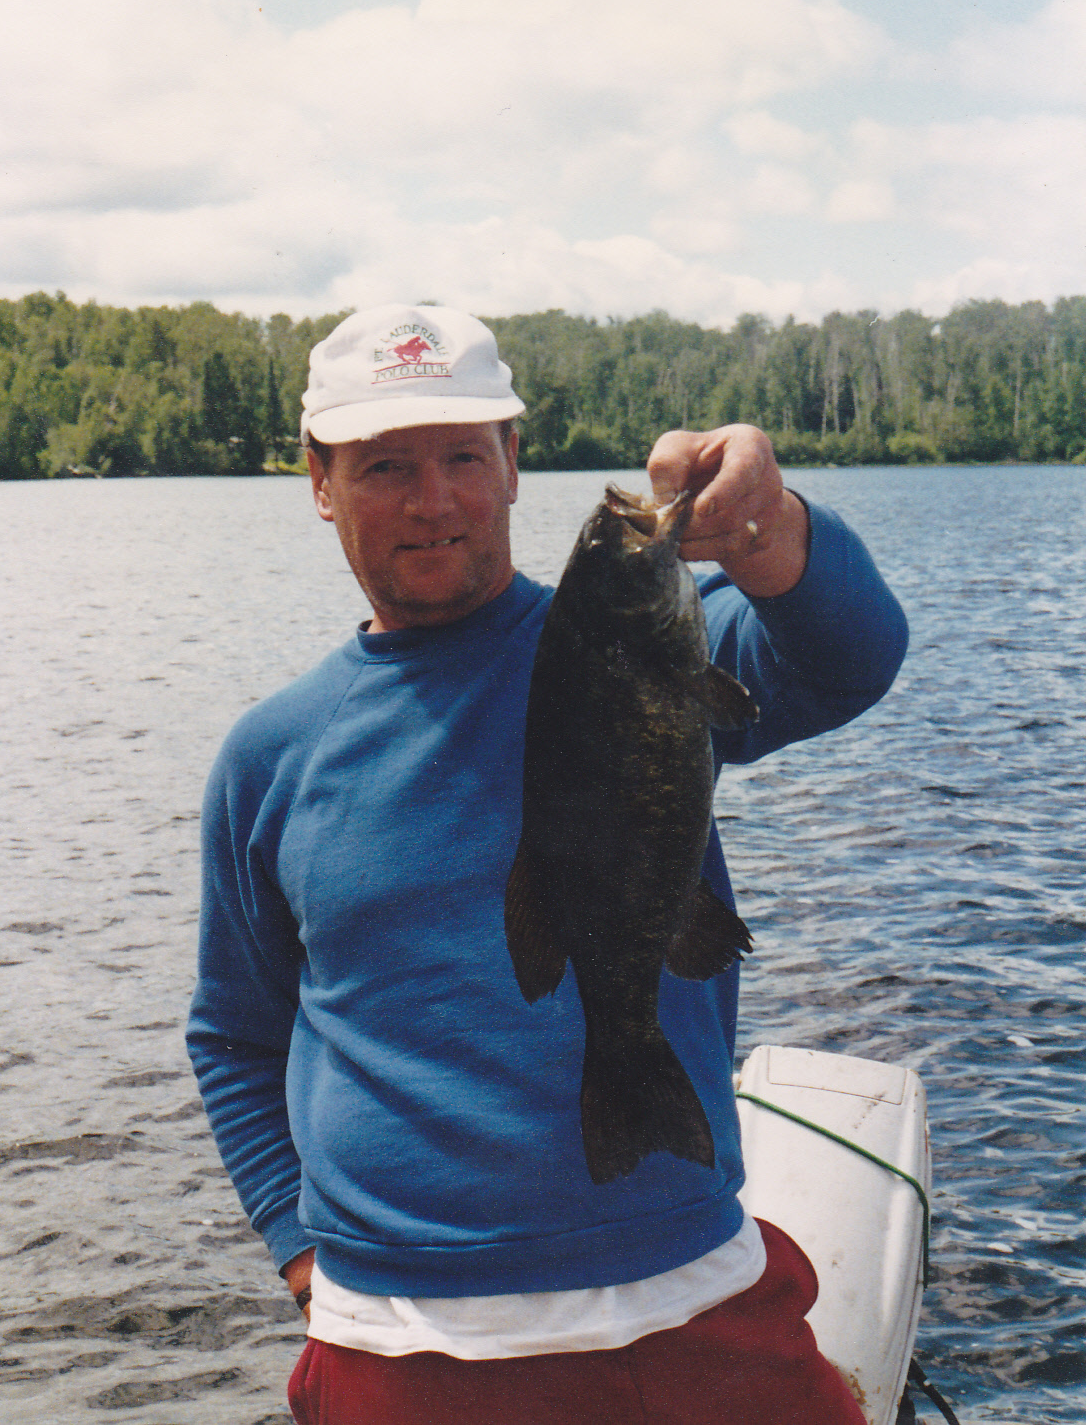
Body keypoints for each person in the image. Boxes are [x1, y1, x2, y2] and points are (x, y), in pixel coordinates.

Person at [187, 303, 909, 1425]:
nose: (433, 500)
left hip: (690, 1298)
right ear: (320, 482)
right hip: (398, 1338)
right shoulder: (268, 756)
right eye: (385, 466)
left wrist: (768, 525)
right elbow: (235, 1035)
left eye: (463, 457)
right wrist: (297, 1246)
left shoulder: (636, 635)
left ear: (513, 464)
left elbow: (848, 657)